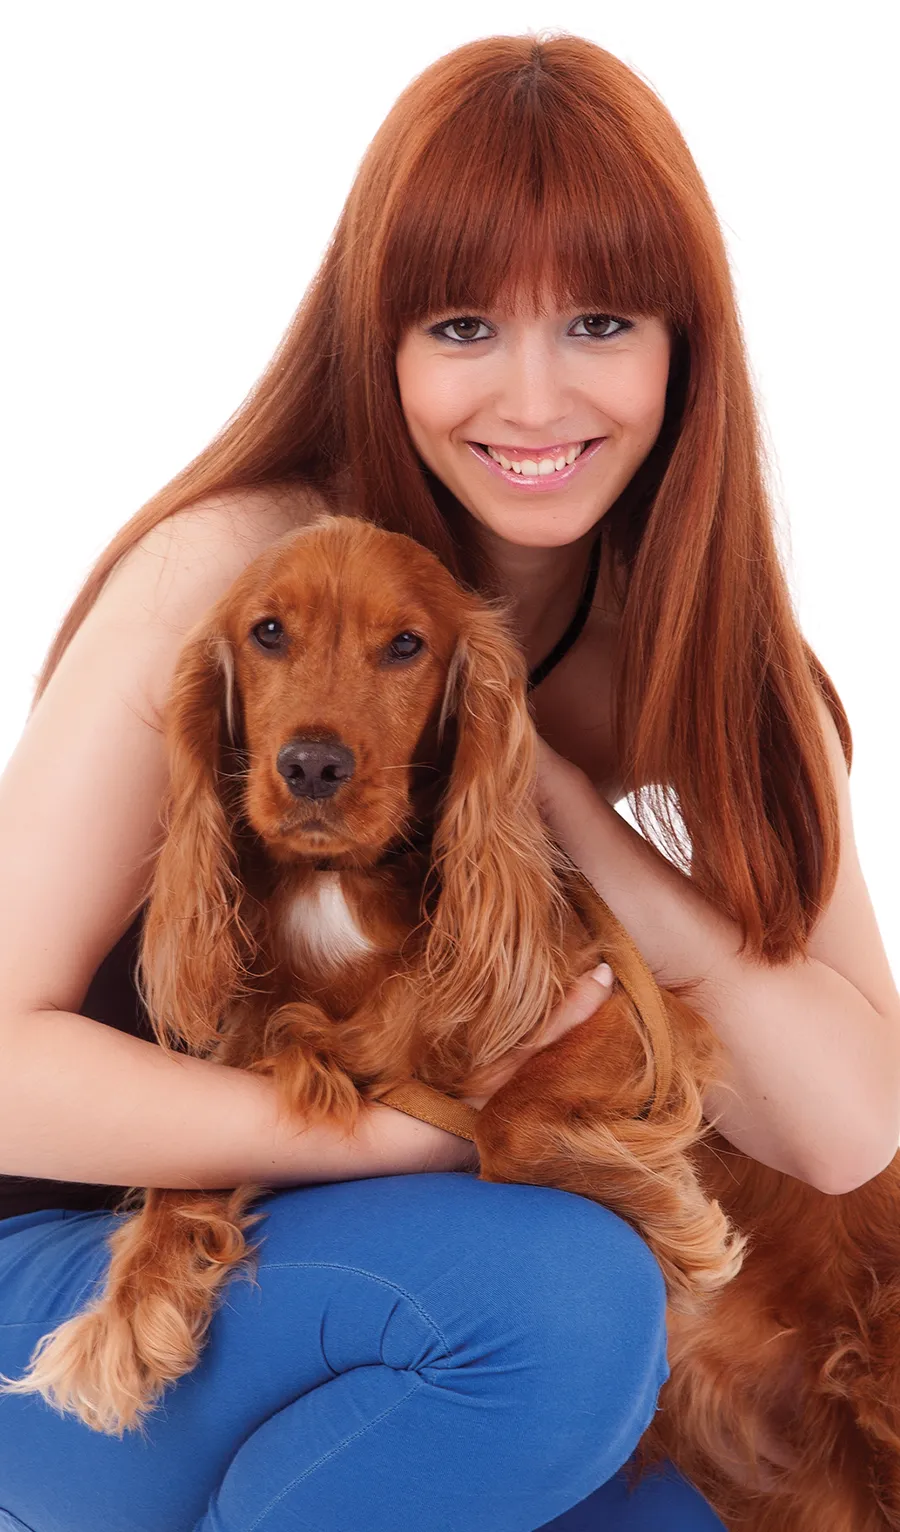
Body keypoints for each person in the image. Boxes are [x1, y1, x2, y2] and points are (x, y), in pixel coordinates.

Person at [0, 29, 897, 1532]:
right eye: (465, 326)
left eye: (600, 321)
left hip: (384, 1303)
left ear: (686, 346)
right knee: (565, 1311)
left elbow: (851, 1119)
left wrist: (548, 792)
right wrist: (416, 1129)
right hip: (92, 1295)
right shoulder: (235, 576)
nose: (535, 401)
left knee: (692, 1502)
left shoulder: (698, 654)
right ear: (380, 339)